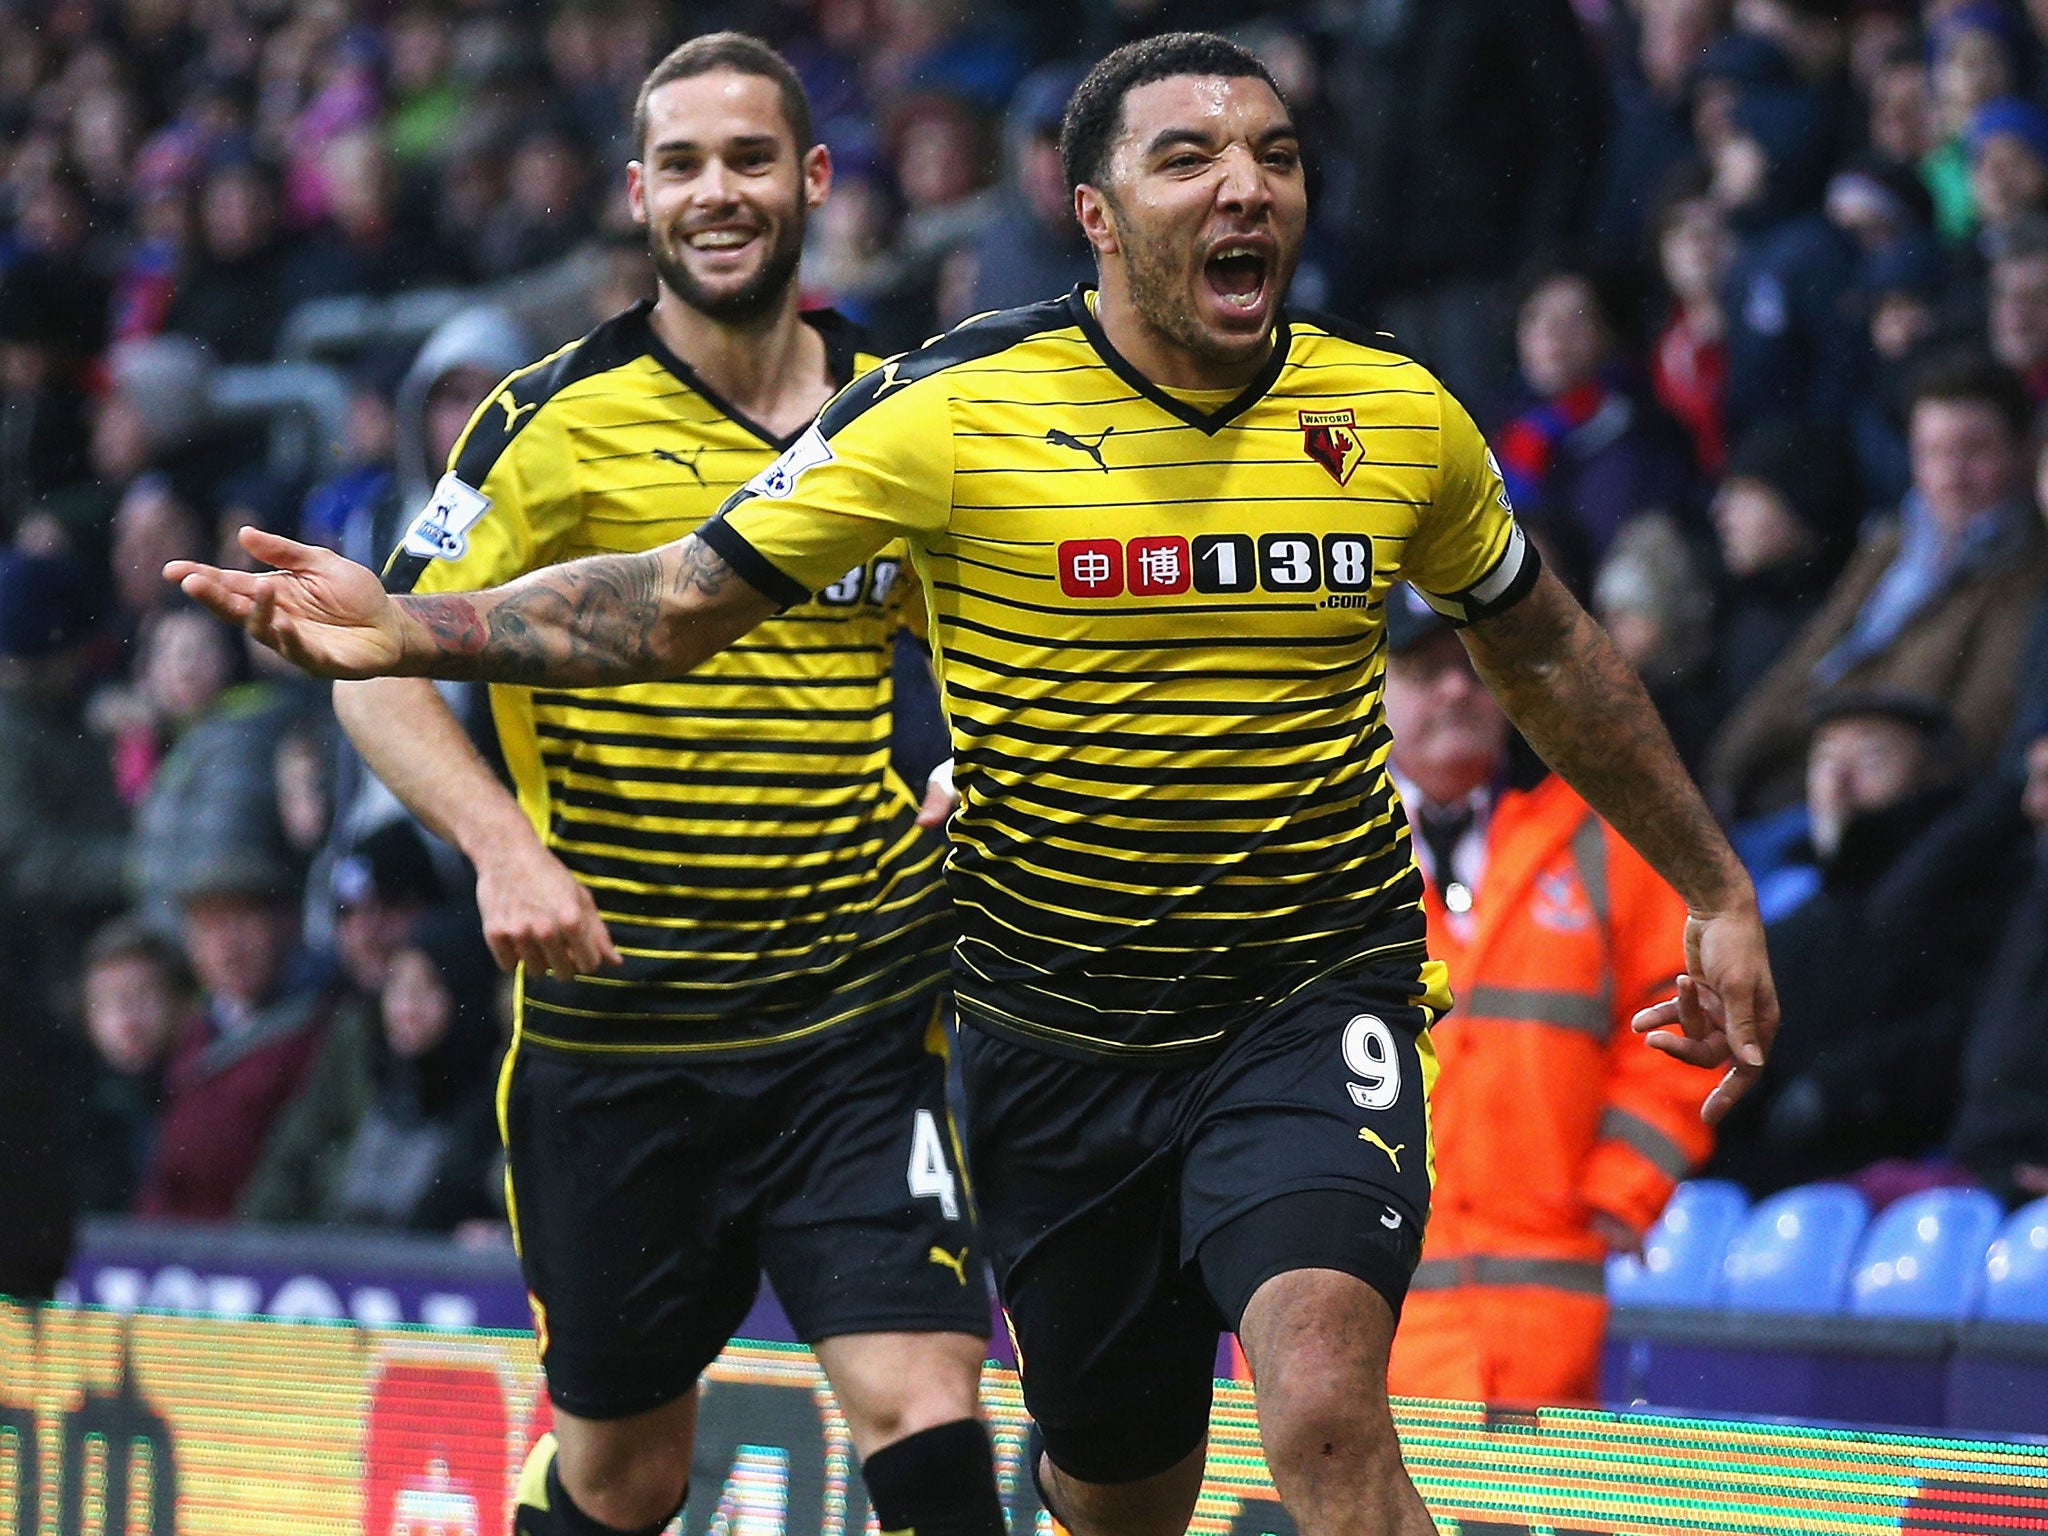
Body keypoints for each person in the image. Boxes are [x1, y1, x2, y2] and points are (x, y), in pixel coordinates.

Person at [174, 33, 1778, 1536]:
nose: (1244, 185)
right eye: (1189, 157)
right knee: (1092, 1486)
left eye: (1273, 155)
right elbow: (672, 603)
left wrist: (1711, 883)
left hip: (1278, 989)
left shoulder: (1397, 411)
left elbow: (1549, 650)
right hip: (1011, 1034)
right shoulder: (939, 410)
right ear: (1092, 214)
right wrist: (411, 636)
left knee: (1320, 1410)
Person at [335, 35, 996, 1536]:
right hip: (619, 1037)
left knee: (929, 1405)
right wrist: (501, 847)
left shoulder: (906, 420)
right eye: (684, 165)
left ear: (814, 180)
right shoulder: (544, 418)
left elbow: (1000, 648)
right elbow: (376, 659)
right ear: (637, 195)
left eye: (751, 159)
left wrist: (981, 758)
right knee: (625, 1476)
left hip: (856, 1022)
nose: (720, 192)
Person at [1374, 587, 1710, 1405]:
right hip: (1358, 1328)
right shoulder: (1308, 849)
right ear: (1371, 690)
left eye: (1473, 670)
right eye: (1426, 670)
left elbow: (1690, 1022)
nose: (1457, 690)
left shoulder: (1600, 841)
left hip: (1543, 1325)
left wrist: (1623, 1187)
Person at [1705, 351, 2048, 821]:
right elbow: (1809, 659)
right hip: (1786, 786)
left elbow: (1974, 732)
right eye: (1932, 452)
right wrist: (1723, 771)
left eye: (1974, 451)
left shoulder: (2028, 573)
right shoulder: (1893, 544)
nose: (1951, 476)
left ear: (2024, 452)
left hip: (1874, 813)